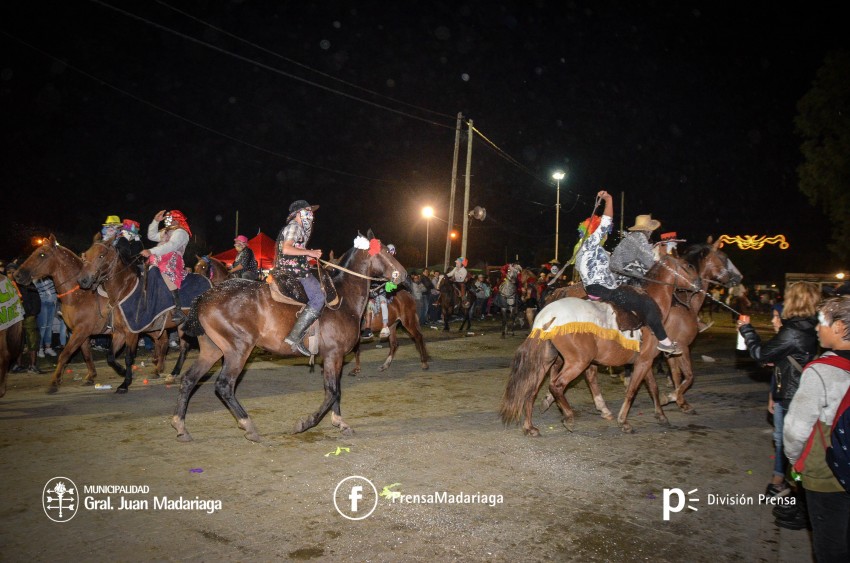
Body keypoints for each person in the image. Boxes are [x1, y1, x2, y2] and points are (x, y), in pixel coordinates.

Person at [737, 282, 820, 504]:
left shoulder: (794, 331)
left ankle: (791, 488)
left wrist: (746, 330)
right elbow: (788, 359)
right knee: (788, 441)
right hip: (797, 391)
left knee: (790, 443)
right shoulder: (812, 325)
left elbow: (760, 354)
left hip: (793, 396)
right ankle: (783, 482)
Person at [784, 296, 850, 562]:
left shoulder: (822, 371)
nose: (817, 328)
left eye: (822, 321)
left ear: (840, 327)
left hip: (826, 476)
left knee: (830, 548)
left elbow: (796, 430)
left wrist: (794, 462)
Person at [576, 190, 680, 355]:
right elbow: (607, 221)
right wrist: (609, 200)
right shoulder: (593, 244)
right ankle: (664, 342)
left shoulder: (581, 250)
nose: (607, 233)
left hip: (593, 288)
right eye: (603, 231)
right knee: (647, 303)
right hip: (606, 289)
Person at [276, 199, 323, 356]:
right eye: (308, 211)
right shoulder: (294, 227)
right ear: (298, 214)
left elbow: (295, 250)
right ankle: (295, 336)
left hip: (296, 268)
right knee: (318, 297)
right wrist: (310, 253)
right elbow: (287, 249)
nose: (311, 214)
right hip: (295, 271)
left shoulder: (299, 229)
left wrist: (309, 254)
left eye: (311, 212)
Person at [141, 209, 191, 323]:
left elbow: (171, 246)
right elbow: (151, 235)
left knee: (165, 270)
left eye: (171, 219)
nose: (168, 221)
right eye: (167, 219)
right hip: (158, 256)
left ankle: (177, 309)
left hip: (172, 258)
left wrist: (151, 251)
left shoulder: (181, 232)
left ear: (177, 220)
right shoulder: (166, 231)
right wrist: (155, 221)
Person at [7, 262, 42, 374]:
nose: (11, 274)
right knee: (17, 343)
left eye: (14, 272)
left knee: (33, 340)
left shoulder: (26, 282)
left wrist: (33, 312)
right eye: (9, 272)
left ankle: (32, 365)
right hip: (14, 319)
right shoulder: (4, 286)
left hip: (28, 316)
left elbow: (36, 297)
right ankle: (18, 365)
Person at [33, 276, 58, 358]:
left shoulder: (50, 277)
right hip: (42, 302)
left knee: (49, 326)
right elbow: (34, 288)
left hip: (52, 302)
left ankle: (48, 347)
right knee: (42, 326)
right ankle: (39, 348)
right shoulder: (35, 279)